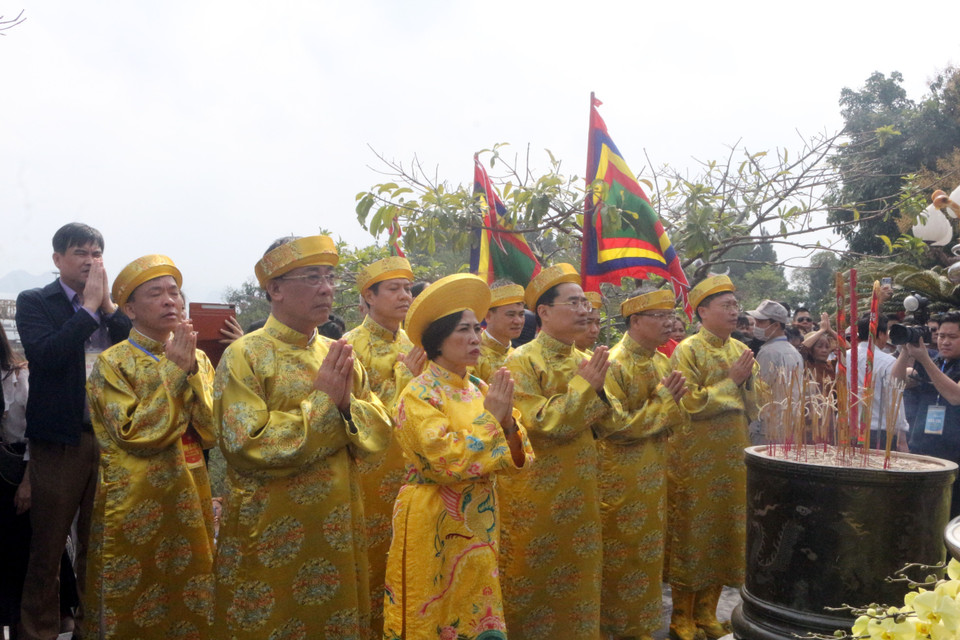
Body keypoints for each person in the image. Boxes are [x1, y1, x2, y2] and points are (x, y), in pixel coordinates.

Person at [212, 235, 392, 639]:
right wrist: (326, 406)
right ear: (274, 288)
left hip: (337, 529)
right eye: (312, 277)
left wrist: (346, 407)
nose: (326, 288)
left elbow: (380, 427)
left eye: (329, 277)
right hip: (270, 530)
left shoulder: (339, 352)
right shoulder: (245, 355)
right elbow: (246, 442)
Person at [383, 274, 534, 639]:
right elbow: (444, 461)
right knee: (433, 608)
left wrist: (509, 427)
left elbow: (522, 457)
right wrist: (492, 420)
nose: (474, 338)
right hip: (433, 515)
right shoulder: (419, 394)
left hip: (479, 518)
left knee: (477, 603)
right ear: (438, 340)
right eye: (463, 330)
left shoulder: (481, 388)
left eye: (476, 329)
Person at [84, 255, 217, 639]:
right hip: (135, 495)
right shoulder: (113, 363)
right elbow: (132, 433)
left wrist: (190, 371)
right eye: (155, 294)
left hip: (189, 487)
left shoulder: (199, 359)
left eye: (174, 292)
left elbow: (211, 431)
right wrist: (175, 373)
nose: (169, 301)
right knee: (134, 588)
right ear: (129, 309)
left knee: (191, 581)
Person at [15, 222, 132, 640]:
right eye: (81, 252)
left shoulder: (111, 308)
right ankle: (37, 631)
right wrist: (87, 311)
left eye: (97, 253)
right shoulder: (36, 302)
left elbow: (136, 349)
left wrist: (110, 310)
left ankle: (92, 628)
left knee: (99, 545)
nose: (90, 260)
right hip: (60, 442)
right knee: (47, 546)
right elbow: (46, 356)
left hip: (111, 440)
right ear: (57, 259)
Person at [498, 263, 620, 639]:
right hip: (537, 495)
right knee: (533, 578)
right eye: (574, 302)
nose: (585, 310)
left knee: (580, 575)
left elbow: (610, 423)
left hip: (581, 490)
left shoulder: (584, 361)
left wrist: (596, 391)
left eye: (585, 302)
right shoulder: (521, 360)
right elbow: (540, 423)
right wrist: (586, 390)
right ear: (546, 313)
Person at [666, 275, 760, 640]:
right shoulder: (686, 350)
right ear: (702, 311)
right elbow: (687, 402)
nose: (734, 311)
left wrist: (748, 381)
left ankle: (707, 613)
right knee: (694, 533)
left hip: (733, 456)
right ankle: (681, 616)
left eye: (736, 305)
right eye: (727, 306)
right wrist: (731, 382)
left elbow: (755, 404)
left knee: (725, 531)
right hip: (696, 458)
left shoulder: (741, 350)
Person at [342, 256, 424, 634]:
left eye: (408, 288)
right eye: (394, 289)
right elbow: (359, 415)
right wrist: (408, 376)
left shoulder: (416, 343)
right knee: (374, 558)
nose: (405, 296)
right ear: (368, 297)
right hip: (369, 472)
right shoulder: (347, 347)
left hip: (416, 470)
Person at [600, 289, 688, 640]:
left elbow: (675, 418)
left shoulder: (661, 361)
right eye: (660, 316)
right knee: (621, 560)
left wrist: (669, 407)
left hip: (654, 476)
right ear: (635, 321)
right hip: (620, 482)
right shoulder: (613, 364)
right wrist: (665, 403)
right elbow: (615, 426)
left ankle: (639, 630)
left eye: (671, 315)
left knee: (648, 560)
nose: (670, 323)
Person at [894, 311, 960, 516]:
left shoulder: (930, 362)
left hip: (954, 456)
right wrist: (906, 351)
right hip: (923, 450)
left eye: (952, 337)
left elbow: (955, 396)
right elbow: (895, 383)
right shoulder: (934, 361)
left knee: (948, 515)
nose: (944, 342)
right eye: (941, 336)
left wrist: (925, 359)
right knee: (918, 515)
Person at [847, 313, 908, 450]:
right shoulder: (888, 362)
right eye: (886, 332)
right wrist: (902, 437)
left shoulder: (844, 357)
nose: (887, 337)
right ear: (880, 334)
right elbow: (894, 400)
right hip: (877, 434)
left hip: (848, 430)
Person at [747, 300, 803, 444]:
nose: (756, 327)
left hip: (767, 429)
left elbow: (759, 390)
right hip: (788, 425)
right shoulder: (793, 351)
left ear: (776, 325)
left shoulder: (768, 352)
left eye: (761, 322)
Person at [470, 280, 526, 382]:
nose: (518, 321)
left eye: (521, 314)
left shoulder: (521, 356)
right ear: (488, 316)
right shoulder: (472, 356)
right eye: (511, 314)